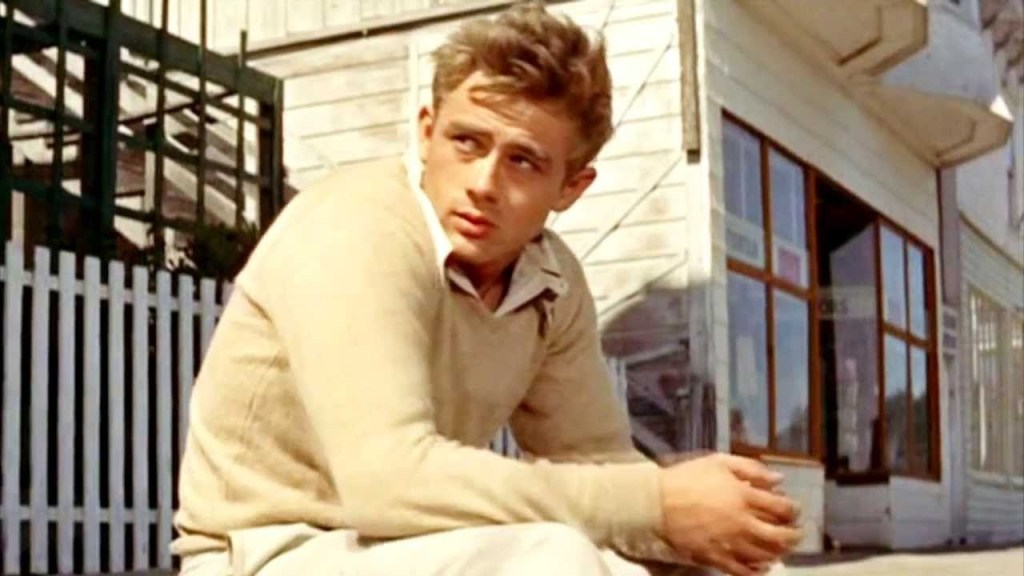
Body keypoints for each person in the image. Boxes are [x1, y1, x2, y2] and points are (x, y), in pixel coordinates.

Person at [172, 2, 802, 575]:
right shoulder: (355, 226)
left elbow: (598, 468)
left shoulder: (551, 281)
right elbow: (388, 482)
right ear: (427, 132)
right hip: (265, 553)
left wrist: (713, 529)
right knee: (553, 559)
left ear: (571, 187)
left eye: (523, 160)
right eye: (467, 142)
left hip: (413, 547)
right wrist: (658, 502)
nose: (483, 183)